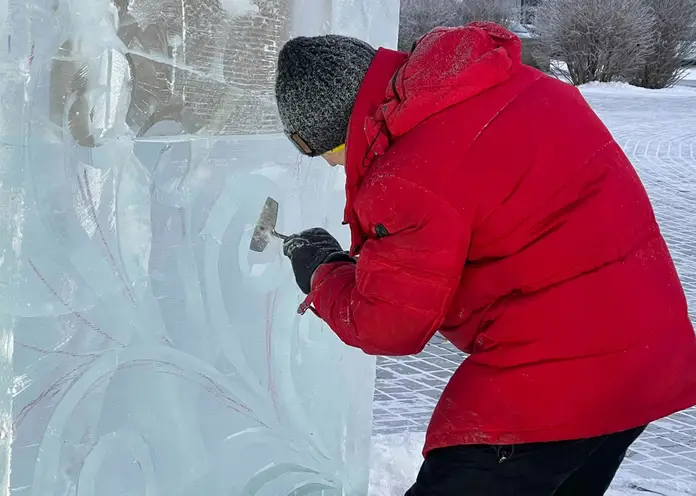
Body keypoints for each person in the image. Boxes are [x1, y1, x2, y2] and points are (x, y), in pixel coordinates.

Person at [274, 22, 696, 495]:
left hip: (553, 384)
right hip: (644, 355)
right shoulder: (510, 86)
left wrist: (322, 271)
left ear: (336, 132)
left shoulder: (406, 173)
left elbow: (388, 325)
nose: (332, 168)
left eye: (318, 152)